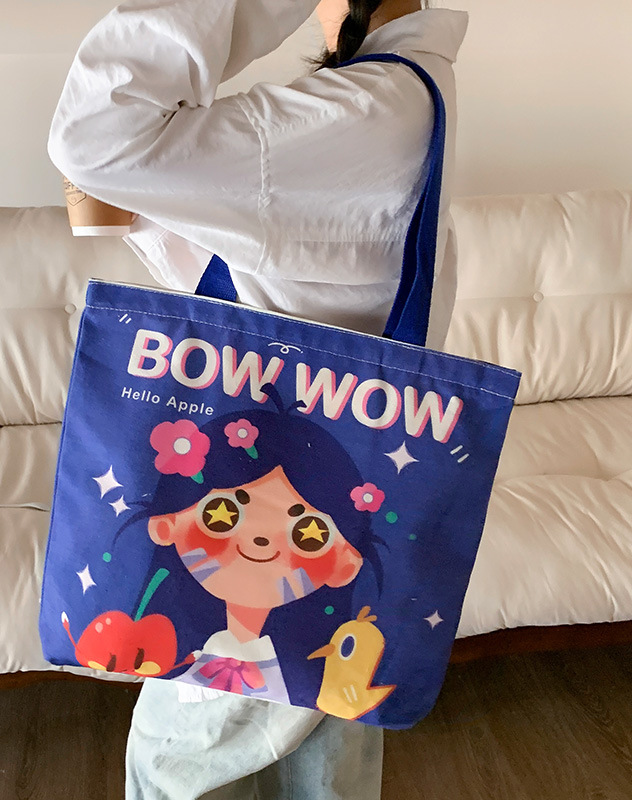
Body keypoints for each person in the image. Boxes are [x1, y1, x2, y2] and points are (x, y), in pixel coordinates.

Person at [47, 0, 468, 797]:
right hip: (330, 488)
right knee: (316, 766)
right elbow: (281, 285)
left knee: (181, 767)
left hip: (268, 516)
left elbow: (94, 133)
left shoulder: (367, 109)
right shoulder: (408, 93)